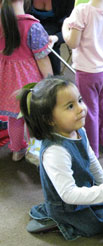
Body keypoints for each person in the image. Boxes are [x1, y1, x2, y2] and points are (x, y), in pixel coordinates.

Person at [18, 77, 103, 240]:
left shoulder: (78, 130)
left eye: (79, 100)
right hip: (68, 206)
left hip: (83, 190)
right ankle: (59, 222)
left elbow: (92, 161)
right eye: (70, 106)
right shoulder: (55, 151)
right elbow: (68, 194)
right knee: (97, 225)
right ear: (49, 119)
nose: (81, 108)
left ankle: (99, 206)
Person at [62, 0, 103, 158]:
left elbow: (73, 43)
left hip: (88, 71)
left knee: (89, 111)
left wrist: (66, 27)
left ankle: (92, 149)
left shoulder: (82, 10)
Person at [0, 0, 53, 162]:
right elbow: (42, 60)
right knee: (32, 118)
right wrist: (50, 81)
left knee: (14, 118)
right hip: (29, 82)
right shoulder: (32, 26)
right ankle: (35, 151)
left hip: (7, 81)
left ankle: (17, 150)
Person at [29, 0, 75, 75]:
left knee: (50, 50)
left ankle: (53, 79)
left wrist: (57, 38)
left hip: (55, 35)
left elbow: (72, 27)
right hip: (28, 30)